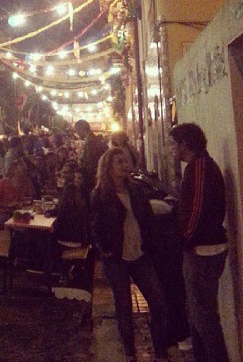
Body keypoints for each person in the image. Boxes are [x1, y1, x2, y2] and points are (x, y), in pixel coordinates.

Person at [91, 148, 169, 362]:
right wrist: (104, 250)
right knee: (123, 306)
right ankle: (129, 353)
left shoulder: (137, 191)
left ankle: (160, 351)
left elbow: (148, 222)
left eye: (126, 161)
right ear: (108, 167)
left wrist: (151, 244)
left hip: (140, 255)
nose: (125, 165)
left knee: (158, 302)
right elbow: (95, 226)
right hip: (116, 257)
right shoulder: (100, 195)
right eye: (119, 162)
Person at [170, 123, 230, 362]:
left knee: (204, 318)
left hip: (203, 251)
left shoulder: (200, 168)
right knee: (197, 314)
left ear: (184, 144)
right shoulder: (196, 167)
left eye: (174, 143)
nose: (172, 149)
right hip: (201, 248)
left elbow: (196, 209)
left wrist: (185, 239)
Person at [0, 160, 35, 244]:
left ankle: (16, 253)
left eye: (25, 171)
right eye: (22, 170)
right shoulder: (3, 183)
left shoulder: (27, 182)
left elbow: (32, 198)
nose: (24, 173)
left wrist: (25, 202)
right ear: (14, 171)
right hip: (1, 212)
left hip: (18, 213)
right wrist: (9, 205)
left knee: (27, 231)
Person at [75, 119, 107, 192]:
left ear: (82, 129)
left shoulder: (90, 141)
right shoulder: (92, 138)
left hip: (92, 179)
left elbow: (91, 163)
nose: (77, 133)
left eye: (77, 130)